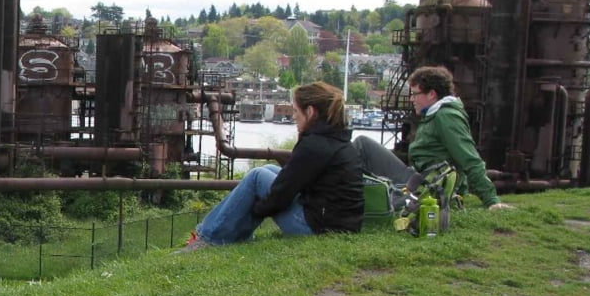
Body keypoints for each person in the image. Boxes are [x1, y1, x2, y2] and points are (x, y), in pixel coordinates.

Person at [182, 81, 363, 249]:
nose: (293, 117)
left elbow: (281, 196)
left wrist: (257, 208)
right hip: (337, 223)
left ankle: (208, 239)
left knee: (257, 177)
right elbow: (290, 183)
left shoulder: (314, 145)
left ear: (310, 112)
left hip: (317, 229)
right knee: (270, 170)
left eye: (296, 112)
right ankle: (229, 235)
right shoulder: (337, 139)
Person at [355, 66, 512, 210]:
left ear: (431, 94)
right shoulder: (435, 114)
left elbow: (469, 159)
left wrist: (492, 200)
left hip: (431, 188)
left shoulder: (446, 117)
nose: (411, 99)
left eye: (415, 94)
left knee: (362, 146)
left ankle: (344, 196)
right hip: (418, 178)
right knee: (363, 144)